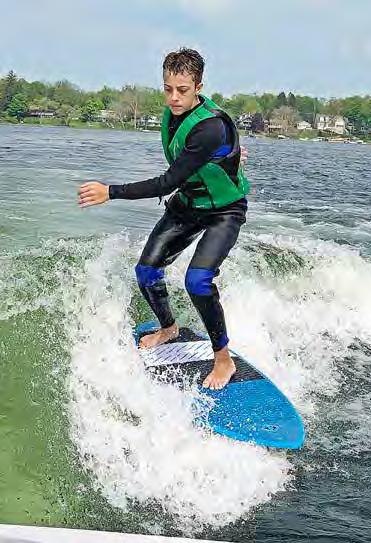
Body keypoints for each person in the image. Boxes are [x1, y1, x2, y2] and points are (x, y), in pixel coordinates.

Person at [78, 48, 250, 390]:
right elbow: (193, 158)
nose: (173, 97)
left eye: (182, 90)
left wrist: (110, 191)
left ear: (198, 87)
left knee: (198, 281)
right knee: (146, 271)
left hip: (224, 211)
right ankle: (168, 328)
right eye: (168, 89)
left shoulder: (210, 127)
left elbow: (168, 181)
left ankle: (223, 359)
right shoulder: (174, 114)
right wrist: (230, 155)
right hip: (188, 204)